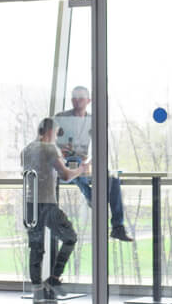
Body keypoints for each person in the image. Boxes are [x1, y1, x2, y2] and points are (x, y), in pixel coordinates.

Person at [22, 117, 89, 301]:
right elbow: (66, 174)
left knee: (36, 246)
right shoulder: (50, 148)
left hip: (30, 203)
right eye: (57, 132)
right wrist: (81, 169)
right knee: (70, 237)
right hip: (47, 203)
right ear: (51, 131)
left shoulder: (28, 149)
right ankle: (54, 277)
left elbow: (39, 168)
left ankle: (37, 289)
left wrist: (59, 156)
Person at [54, 86, 133, 241]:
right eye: (74, 98)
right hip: (65, 162)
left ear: (88, 101)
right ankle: (93, 197)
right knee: (74, 163)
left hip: (83, 163)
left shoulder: (92, 120)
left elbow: (99, 146)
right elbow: (49, 141)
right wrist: (60, 151)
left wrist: (89, 161)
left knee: (113, 178)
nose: (77, 101)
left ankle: (118, 226)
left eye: (81, 98)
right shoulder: (61, 118)